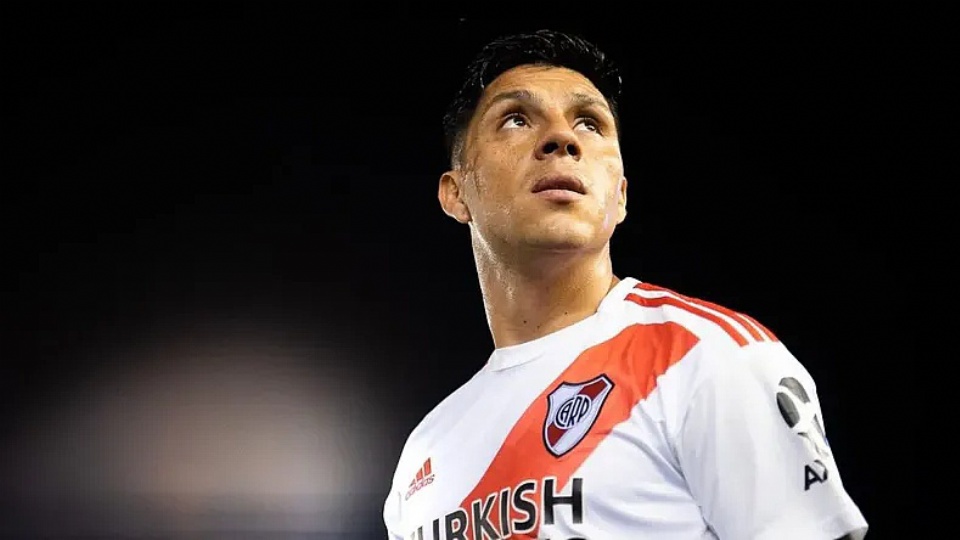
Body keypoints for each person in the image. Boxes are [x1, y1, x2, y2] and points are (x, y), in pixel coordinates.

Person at [383, 29, 868, 539]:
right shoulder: (425, 452)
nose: (562, 139)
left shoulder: (709, 357)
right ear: (456, 193)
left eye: (589, 123)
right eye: (516, 119)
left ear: (620, 196)